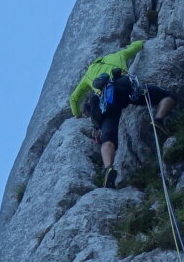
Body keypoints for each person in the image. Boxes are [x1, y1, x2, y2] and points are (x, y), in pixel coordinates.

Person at [67, 41, 177, 185]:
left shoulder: (88, 75)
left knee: (108, 139)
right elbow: (136, 47)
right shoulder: (117, 56)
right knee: (167, 97)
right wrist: (142, 42)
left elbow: (74, 99)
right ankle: (158, 120)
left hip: (105, 102)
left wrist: (77, 115)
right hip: (123, 87)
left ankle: (108, 168)